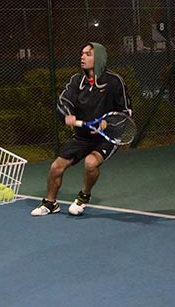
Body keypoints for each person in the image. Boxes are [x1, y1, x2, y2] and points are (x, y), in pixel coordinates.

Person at [31, 42, 132, 217]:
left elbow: (126, 112)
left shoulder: (115, 82)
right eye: (82, 53)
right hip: (83, 136)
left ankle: (84, 196)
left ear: (99, 58)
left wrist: (107, 123)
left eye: (88, 54)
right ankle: (50, 203)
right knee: (56, 167)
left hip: (107, 137)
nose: (82, 57)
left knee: (90, 163)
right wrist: (68, 114)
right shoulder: (77, 81)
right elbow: (64, 103)